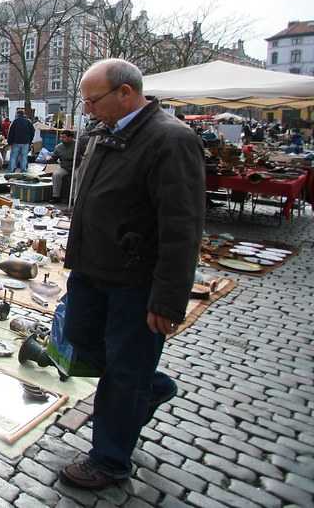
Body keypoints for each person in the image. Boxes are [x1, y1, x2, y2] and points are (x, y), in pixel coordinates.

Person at [60, 59, 204, 490]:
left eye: (93, 99)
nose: (87, 109)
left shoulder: (171, 140)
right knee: (80, 343)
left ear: (126, 93)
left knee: (124, 370)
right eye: (84, 100)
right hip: (90, 268)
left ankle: (109, 459)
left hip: (134, 278)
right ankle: (149, 384)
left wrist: (167, 299)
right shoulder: (104, 133)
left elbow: (182, 228)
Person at [49, 130, 76, 202]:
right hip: (65, 167)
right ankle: (56, 196)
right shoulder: (58, 147)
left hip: (76, 166)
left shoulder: (77, 145)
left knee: (76, 177)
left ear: (70, 138)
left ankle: (73, 198)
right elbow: (54, 157)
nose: (61, 139)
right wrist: (50, 159)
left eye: (63, 137)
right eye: (61, 137)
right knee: (56, 175)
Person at [6, 108, 34, 173]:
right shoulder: (28, 122)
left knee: (13, 156)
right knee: (24, 157)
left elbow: (10, 133)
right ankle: (23, 170)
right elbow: (32, 131)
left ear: (17, 114)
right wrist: (30, 141)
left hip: (16, 142)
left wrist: (9, 142)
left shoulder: (14, 122)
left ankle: (12, 170)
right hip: (25, 142)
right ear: (23, 114)